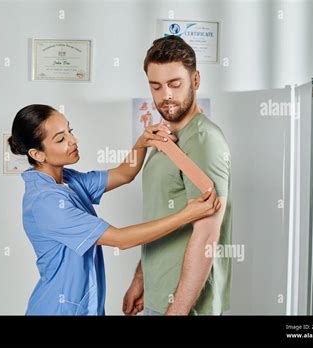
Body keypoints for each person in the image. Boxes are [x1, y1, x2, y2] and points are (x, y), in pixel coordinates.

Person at [9, 104, 221, 315]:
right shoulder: (46, 202)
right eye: (60, 139)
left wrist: (142, 143)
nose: (73, 141)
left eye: (69, 131)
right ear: (37, 154)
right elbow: (121, 239)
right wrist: (186, 215)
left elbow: (123, 174)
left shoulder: (68, 181)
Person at [123, 35, 233, 316]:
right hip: (159, 298)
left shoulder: (203, 140)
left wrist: (177, 310)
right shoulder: (165, 139)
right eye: (156, 86)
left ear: (196, 80)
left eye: (175, 84)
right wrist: (141, 278)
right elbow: (160, 218)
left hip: (183, 308)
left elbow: (207, 234)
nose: (166, 96)